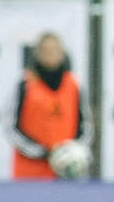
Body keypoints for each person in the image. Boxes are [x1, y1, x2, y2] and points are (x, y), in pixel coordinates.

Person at [5, 31, 92, 180]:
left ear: (63, 53)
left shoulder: (74, 84)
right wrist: (44, 153)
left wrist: (71, 152)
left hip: (65, 173)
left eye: (55, 50)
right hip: (30, 174)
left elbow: (86, 125)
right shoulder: (25, 84)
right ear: (37, 54)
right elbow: (10, 127)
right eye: (46, 50)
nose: (50, 54)